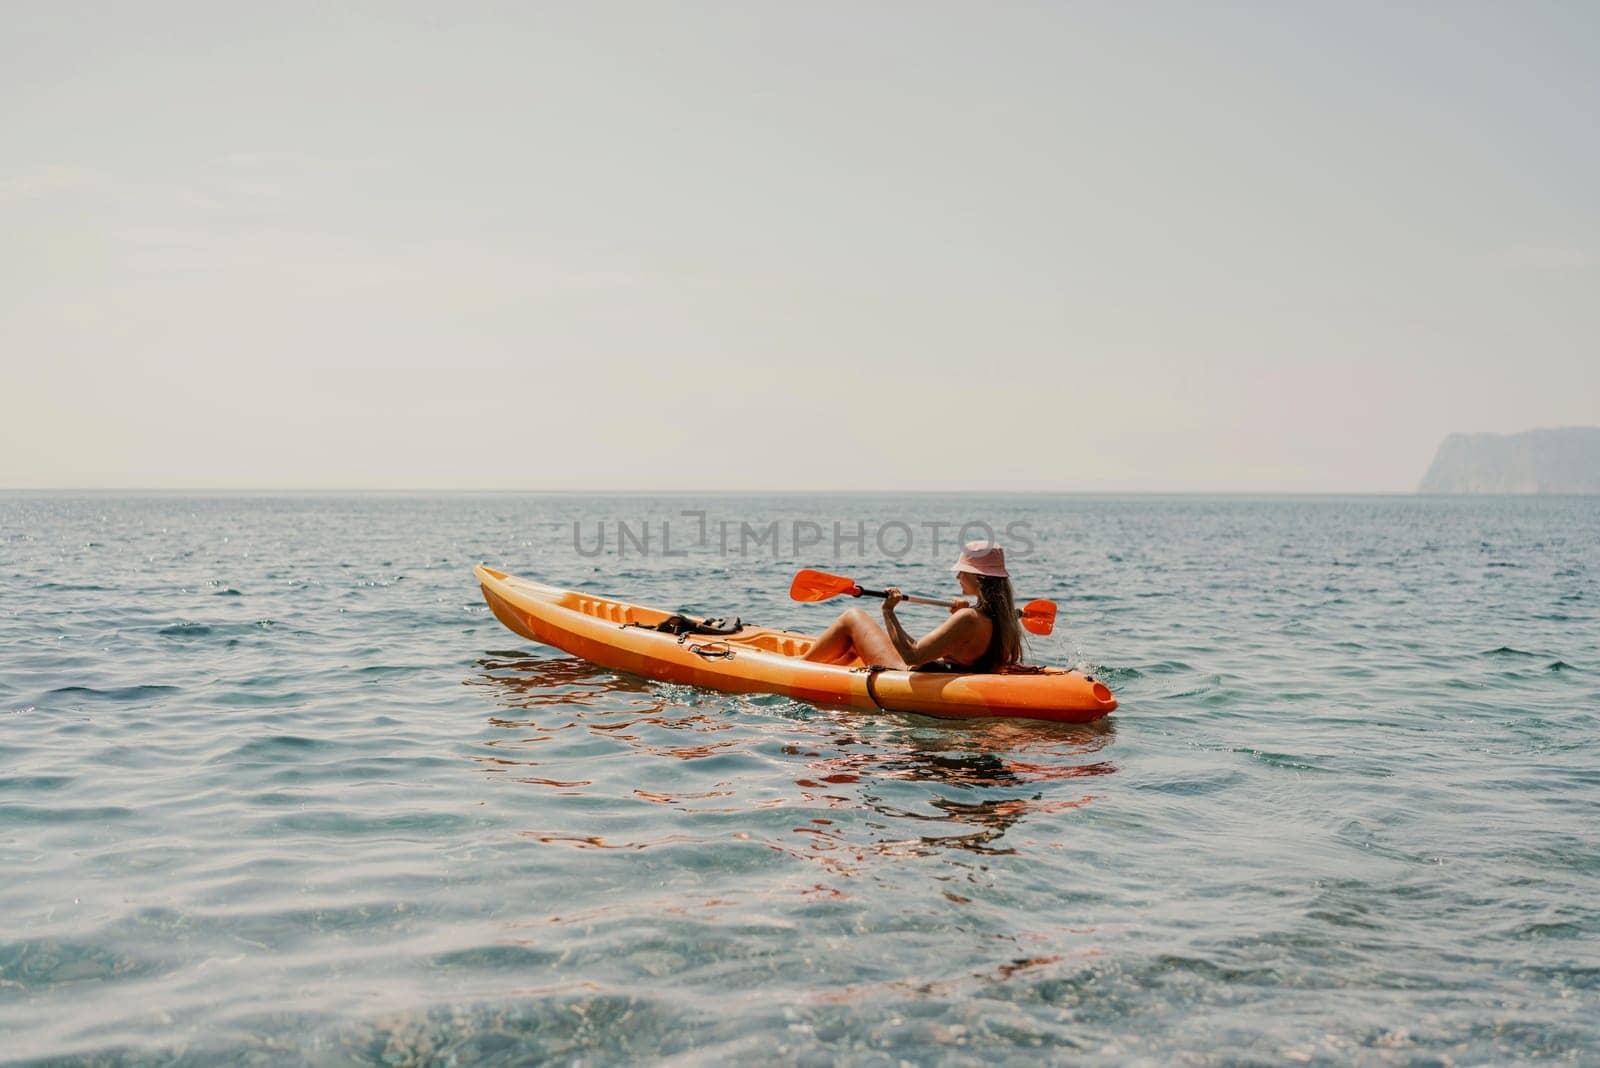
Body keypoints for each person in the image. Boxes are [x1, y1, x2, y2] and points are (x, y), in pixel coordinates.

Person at [801, 541, 1025, 672]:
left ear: (978, 578)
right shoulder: (1005, 619)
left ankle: (796, 668)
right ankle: (832, 665)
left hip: (908, 675)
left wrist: (888, 611)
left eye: (962, 571)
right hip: (950, 674)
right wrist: (965, 612)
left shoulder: (969, 618)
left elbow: (912, 656)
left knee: (852, 616)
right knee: (852, 644)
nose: (958, 576)